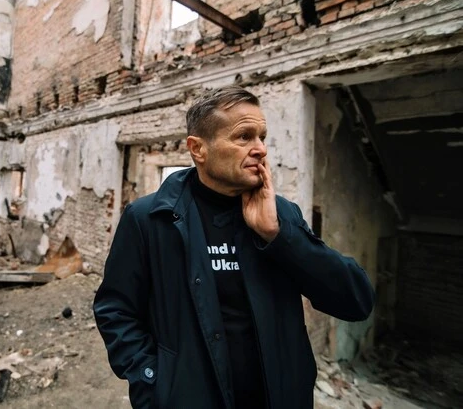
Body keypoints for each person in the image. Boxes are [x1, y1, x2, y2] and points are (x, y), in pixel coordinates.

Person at [93, 86, 375, 409]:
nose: (260, 149)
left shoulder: (281, 216)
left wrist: (280, 238)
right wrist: (153, 382)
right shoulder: (150, 220)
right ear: (198, 149)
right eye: (244, 137)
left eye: (262, 137)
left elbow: (357, 300)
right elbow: (115, 310)